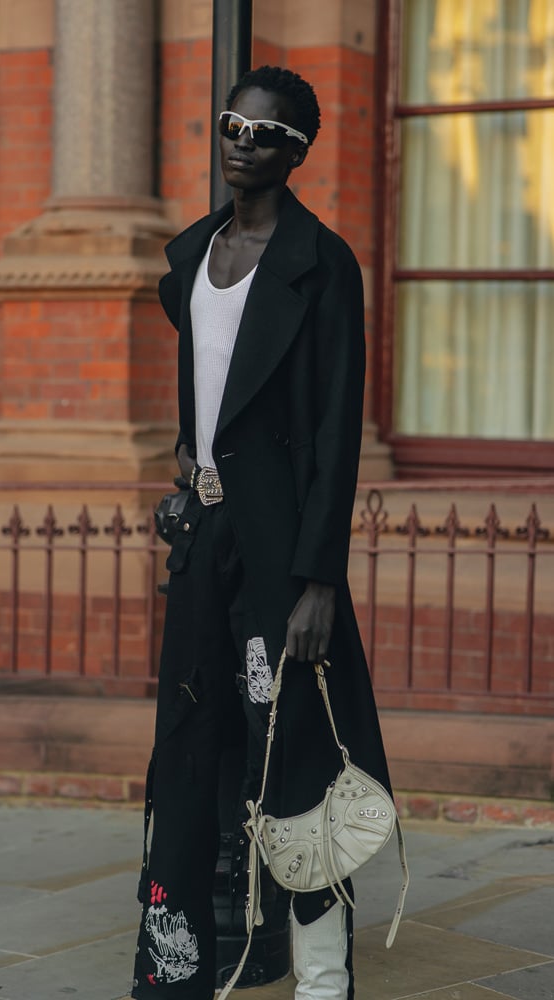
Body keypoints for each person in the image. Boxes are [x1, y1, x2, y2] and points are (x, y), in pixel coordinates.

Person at [131, 65, 391, 1000]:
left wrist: (318, 578)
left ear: (296, 150)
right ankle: (179, 963)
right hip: (204, 540)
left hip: (283, 553)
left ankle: (323, 973)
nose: (240, 138)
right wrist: (183, 470)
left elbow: (332, 429)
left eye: (263, 129)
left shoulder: (321, 264)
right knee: (191, 748)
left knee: (296, 753)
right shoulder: (195, 252)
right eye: (230, 122)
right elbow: (204, 396)